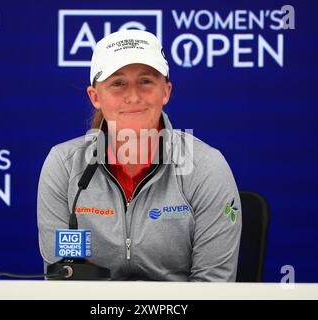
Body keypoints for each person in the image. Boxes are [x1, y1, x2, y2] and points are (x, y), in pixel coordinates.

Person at [37, 29, 242, 281]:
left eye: (146, 81)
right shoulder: (63, 166)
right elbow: (64, 283)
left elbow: (212, 289)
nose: (133, 97)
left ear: (165, 91)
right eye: (118, 83)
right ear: (95, 97)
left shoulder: (206, 166)